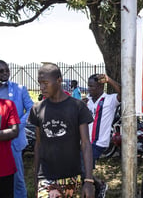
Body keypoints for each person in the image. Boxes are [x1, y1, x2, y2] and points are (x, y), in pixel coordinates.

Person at [28, 63, 94, 198]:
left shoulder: (78, 107)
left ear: (59, 80)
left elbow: (86, 143)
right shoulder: (37, 108)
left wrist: (88, 180)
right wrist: (36, 178)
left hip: (71, 176)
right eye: (40, 83)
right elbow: (38, 145)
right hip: (46, 176)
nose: (41, 87)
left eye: (45, 83)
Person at [0, 59, 33, 198]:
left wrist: (17, 125)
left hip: (13, 141)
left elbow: (32, 109)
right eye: (1, 71)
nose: (5, 73)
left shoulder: (19, 89)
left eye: (7, 70)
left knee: (17, 178)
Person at [86, 73, 121, 198]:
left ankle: (97, 186)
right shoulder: (87, 101)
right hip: (85, 142)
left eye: (92, 86)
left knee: (83, 168)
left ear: (101, 87)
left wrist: (109, 80)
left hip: (99, 142)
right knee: (82, 168)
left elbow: (124, 93)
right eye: (88, 86)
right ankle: (98, 185)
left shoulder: (110, 100)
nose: (89, 89)